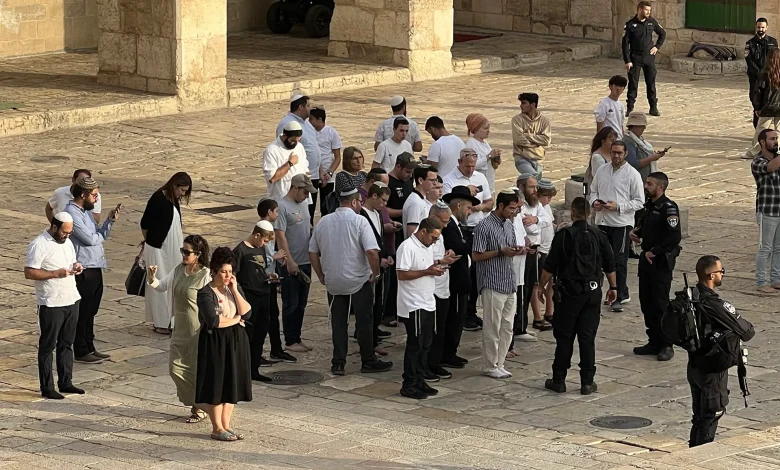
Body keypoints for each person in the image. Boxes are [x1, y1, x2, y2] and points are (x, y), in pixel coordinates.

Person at [309, 188, 392, 376]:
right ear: (354, 202)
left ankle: (338, 363)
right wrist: (376, 273)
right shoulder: (360, 221)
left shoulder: (324, 222)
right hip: (358, 280)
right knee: (364, 321)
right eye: (360, 202)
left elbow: (312, 251)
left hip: (334, 280)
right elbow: (371, 251)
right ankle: (368, 360)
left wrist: (320, 274)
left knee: (339, 323)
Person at [538, 197, 617, 395]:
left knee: (564, 337)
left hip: (569, 293)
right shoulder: (599, 235)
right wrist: (614, 287)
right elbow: (610, 265)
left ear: (572, 213)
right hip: (592, 292)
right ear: (589, 214)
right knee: (587, 337)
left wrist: (541, 286)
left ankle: (559, 379)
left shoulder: (564, 236)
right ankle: (587, 382)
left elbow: (550, 266)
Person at [687, 255, 755, 447]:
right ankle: (699, 456)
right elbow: (747, 331)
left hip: (695, 366)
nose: (722, 274)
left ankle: (691, 452)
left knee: (699, 417)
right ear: (711, 275)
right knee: (710, 416)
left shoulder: (690, 298)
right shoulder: (714, 304)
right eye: (721, 271)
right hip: (712, 370)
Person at [146, 235, 211, 422]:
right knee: (175, 368)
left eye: (187, 252)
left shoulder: (205, 275)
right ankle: (199, 403)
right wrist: (152, 277)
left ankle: (198, 407)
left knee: (195, 369)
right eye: (182, 251)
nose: (183, 254)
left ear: (198, 254)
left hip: (197, 330)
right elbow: (162, 286)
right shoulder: (178, 270)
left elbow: (213, 302)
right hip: (179, 328)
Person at [25, 212, 84, 400]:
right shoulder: (39, 244)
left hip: (71, 298)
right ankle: (47, 386)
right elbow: (29, 272)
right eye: (64, 232)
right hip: (51, 302)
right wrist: (54, 274)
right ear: (54, 227)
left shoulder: (67, 242)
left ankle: (66, 381)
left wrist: (77, 266)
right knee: (48, 345)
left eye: (70, 232)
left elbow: (71, 262)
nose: (67, 235)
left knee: (67, 343)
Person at [195, 247, 253, 442]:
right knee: (217, 384)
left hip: (236, 341)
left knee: (231, 383)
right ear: (214, 271)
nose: (227, 276)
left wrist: (235, 290)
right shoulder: (205, 293)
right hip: (216, 343)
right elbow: (214, 321)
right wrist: (236, 319)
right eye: (223, 272)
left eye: (230, 271)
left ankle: (226, 425)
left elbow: (247, 312)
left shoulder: (233, 288)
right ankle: (217, 428)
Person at [65, 176, 120, 364]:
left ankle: (89, 346)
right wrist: (98, 235)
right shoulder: (72, 214)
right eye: (94, 195)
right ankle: (80, 350)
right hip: (84, 268)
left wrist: (109, 221)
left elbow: (98, 234)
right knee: (83, 310)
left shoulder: (86, 212)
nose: (96, 199)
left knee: (92, 310)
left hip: (95, 265)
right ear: (83, 194)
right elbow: (89, 239)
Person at [630, 172, 682, 361]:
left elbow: (673, 237)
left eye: (650, 184)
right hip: (646, 260)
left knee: (660, 304)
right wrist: (637, 233)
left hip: (660, 262)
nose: (646, 186)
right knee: (647, 303)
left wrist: (656, 251)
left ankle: (666, 344)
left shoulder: (669, 208)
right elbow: (647, 228)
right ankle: (653, 341)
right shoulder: (649, 206)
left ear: (660, 187)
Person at [588, 140, 645, 312]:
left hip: (621, 223)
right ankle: (599, 292)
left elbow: (639, 201)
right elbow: (593, 191)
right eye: (613, 152)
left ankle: (620, 295)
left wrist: (619, 206)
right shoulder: (602, 170)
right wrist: (595, 202)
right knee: (599, 259)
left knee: (619, 260)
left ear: (625, 153)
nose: (616, 156)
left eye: (619, 153)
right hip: (602, 221)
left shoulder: (632, 174)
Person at [473, 190, 522, 379]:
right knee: (492, 327)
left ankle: (500, 363)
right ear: (500, 206)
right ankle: (490, 364)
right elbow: (476, 255)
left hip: (509, 281)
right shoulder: (483, 226)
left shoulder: (509, 224)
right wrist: (500, 252)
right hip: (492, 281)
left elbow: (510, 248)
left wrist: (518, 250)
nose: (514, 212)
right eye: (511, 208)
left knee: (507, 326)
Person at [443, 149, 493, 332]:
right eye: (467, 166)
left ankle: (470, 311)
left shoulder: (480, 177)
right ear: (459, 162)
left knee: (475, 275)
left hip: (476, 227)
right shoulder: (449, 179)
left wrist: (478, 207)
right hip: (463, 229)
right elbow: (446, 203)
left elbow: (490, 202)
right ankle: (462, 315)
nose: (471, 169)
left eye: (473, 166)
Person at [396, 217, 446, 398]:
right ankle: (408, 383)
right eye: (433, 237)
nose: (434, 241)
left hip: (427, 301)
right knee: (415, 345)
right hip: (413, 303)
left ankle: (419, 379)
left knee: (426, 344)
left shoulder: (427, 246)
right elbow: (402, 274)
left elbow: (426, 267)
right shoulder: (407, 247)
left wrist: (438, 265)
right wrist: (427, 271)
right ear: (423, 231)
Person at [141, 172, 192, 335]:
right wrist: (149, 242)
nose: (182, 194)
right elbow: (145, 223)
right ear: (174, 185)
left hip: (172, 249)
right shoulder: (158, 198)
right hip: (158, 249)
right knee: (159, 283)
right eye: (182, 190)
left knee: (173, 281)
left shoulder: (173, 199)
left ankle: (172, 320)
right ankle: (160, 322)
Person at [274, 174, 317, 353]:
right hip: (291, 262)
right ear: (295, 188)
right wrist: (289, 261)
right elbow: (280, 236)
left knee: (301, 303)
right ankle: (290, 340)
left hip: (305, 260)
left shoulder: (304, 205)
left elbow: (308, 228)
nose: (307, 196)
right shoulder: (282, 207)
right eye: (305, 192)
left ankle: (297, 337)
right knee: (291, 303)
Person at [232, 221, 279, 383]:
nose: (265, 244)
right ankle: (242, 370)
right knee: (248, 336)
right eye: (264, 241)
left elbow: (261, 270)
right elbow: (234, 276)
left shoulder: (261, 248)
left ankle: (254, 369)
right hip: (249, 297)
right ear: (257, 235)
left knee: (260, 334)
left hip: (264, 295)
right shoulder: (240, 251)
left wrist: (269, 276)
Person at [441, 187, 480, 368]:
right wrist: (468, 242)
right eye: (468, 208)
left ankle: (451, 352)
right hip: (455, 281)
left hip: (462, 280)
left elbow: (466, 243)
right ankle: (447, 353)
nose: (469, 212)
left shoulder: (457, 225)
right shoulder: (449, 225)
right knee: (453, 319)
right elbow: (460, 246)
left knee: (458, 318)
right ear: (459, 206)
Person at [256, 199, 296, 364]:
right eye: (276, 211)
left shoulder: (267, 227)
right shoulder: (264, 227)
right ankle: (260, 353)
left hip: (270, 277)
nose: (278, 214)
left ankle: (276, 349)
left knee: (272, 315)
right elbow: (260, 254)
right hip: (264, 279)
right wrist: (275, 257)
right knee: (266, 317)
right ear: (269, 212)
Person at [359, 182, 395, 351]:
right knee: (369, 306)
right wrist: (378, 260)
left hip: (381, 262)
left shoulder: (377, 213)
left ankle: (374, 336)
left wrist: (387, 255)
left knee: (379, 302)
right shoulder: (361, 215)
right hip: (369, 266)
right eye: (383, 200)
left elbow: (381, 238)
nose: (385, 204)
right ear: (374, 196)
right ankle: (368, 342)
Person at [515, 174, 552, 339]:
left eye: (536, 187)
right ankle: (518, 328)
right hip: (522, 252)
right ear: (522, 187)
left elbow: (547, 220)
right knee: (521, 290)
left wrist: (535, 219)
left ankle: (522, 326)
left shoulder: (536, 204)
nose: (535, 190)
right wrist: (536, 225)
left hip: (534, 251)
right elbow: (528, 228)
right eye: (531, 187)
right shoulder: (518, 202)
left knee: (530, 287)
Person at [384, 152, 418, 327]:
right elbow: (384, 208)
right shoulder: (389, 182)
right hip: (393, 233)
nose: (409, 175)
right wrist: (405, 212)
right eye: (407, 171)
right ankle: (388, 312)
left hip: (406, 232)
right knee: (394, 273)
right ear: (398, 167)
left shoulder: (408, 182)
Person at [427, 202, 459, 380]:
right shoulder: (425, 235)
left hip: (443, 286)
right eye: (444, 221)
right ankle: (428, 364)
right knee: (431, 330)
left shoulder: (440, 235)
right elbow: (422, 261)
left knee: (441, 327)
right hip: (431, 289)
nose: (446, 226)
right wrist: (441, 261)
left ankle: (436, 362)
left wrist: (447, 254)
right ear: (433, 217)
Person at [276, 95, 321, 219]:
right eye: (308, 106)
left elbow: (314, 146)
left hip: (312, 175)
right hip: (298, 177)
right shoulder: (287, 123)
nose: (310, 108)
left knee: (309, 213)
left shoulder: (307, 123)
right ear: (300, 107)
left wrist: (321, 169)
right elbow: (283, 148)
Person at [622, 1, 666, 117]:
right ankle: (630, 108)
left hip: (648, 57)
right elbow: (625, 44)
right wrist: (627, 61)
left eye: (649, 10)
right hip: (635, 57)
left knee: (651, 83)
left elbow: (662, 33)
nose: (648, 12)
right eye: (646, 10)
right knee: (633, 83)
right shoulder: (630, 25)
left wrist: (657, 47)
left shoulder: (651, 22)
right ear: (640, 10)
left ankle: (653, 107)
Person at [751, 129, 780, 293]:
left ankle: (776, 279)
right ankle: (761, 282)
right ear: (763, 142)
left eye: (776, 138)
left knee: (778, 248)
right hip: (767, 211)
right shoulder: (758, 162)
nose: (775, 141)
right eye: (772, 139)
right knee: (765, 248)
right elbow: (770, 167)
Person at [262, 121, 309, 201]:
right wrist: (290, 163)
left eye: (297, 141)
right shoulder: (271, 150)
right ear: (285, 135)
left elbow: (305, 169)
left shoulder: (299, 146)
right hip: (282, 198)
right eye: (293, 140)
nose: (295, 143)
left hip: (300, 198)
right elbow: (272, 178)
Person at [309, 106, 342, 216]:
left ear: (319, 119)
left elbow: (337, 157)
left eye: (311, 119)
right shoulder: (309, 132)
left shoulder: (332, 133)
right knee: (310, 207)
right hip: (313, 173)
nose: (309, 121)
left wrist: (329, 173)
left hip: (328, 175)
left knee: (327, 208)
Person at [747, 50, 780, 160]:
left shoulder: (765, 73)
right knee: (779, 129)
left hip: (768, 107)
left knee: (761, 130)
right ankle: (777, 149)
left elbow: (758, 92)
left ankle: (754, 151)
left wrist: (757, 107)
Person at [746, 18, 778, 129]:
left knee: (771, 101)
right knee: (756, 102)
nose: (761, 29)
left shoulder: (773, 42)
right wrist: (760, 73)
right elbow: (749, 60)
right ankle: (758, 130)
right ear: (756, 27)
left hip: (770, 78)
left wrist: (768, 72)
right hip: (756, 78)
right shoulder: (750, 43)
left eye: (763, 27)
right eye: (759, 27)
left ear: (767, 27)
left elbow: (776, 59)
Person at [511, 92, 551, 179]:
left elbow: (546, 141)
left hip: (538, 159)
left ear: (533, 104)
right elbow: (518, 140)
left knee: (535, 184)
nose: (521, 106)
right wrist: (537, 143)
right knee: (534, 177)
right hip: (522, 158)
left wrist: (527, 135)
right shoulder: (517, 120)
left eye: (524, 103)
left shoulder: (544, 121)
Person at [536, 179, 558, 324]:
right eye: (546, 196)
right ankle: (537, 315)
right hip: (540, 250)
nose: (549, 200)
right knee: (537, 283)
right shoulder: (536, 208)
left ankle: (549, 312)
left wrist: (557, 227)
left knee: (551, 280)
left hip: (549, 248)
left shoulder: (547, 207)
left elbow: (550, 223)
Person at [624, 112, 667, 183]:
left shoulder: (639, 139)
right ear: (635, 126)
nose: (644, 128)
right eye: (642, 126)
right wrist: (651, 158)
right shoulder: (628, 142)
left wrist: (655, 155)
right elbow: (633, 164)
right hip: (637, 181)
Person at [465, 113, 502, 194]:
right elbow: (473, 165)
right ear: (476, 129)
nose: (488, 131)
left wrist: (496, 157)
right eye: (485, 128)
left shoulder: (485, 143)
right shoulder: (471, 144)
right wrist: (489, 156)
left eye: (488, 128)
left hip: (489, 185)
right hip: (479, 187)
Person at [402, 164, 438, 238]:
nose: (435, 183)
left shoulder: (420, 199)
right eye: (432, 180)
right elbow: (412, 233)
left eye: (436, 180)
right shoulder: (415, 203)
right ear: (421, 180)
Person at [585, 127, 618, 195]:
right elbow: (601, 179)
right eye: (612, 141)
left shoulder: (612, 154)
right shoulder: (597, 158)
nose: (614, 143)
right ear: (603, 142)